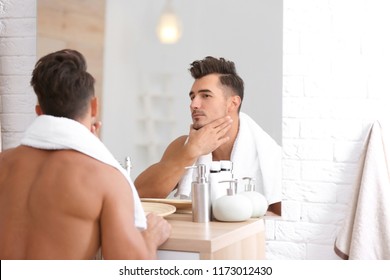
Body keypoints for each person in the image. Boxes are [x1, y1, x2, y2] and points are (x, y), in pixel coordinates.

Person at [0, 49, 171, 260]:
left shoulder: (4, 163)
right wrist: (150, 238)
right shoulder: (105, 178)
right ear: (94, 106)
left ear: (39, 112)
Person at [135, 56, 282, 215]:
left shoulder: (268, 155)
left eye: (205, 96)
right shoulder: (184, 146)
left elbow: (281, 221)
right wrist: (191, 152)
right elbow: (139, 195)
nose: (194, 105)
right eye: (192, 97)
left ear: (233, 103)